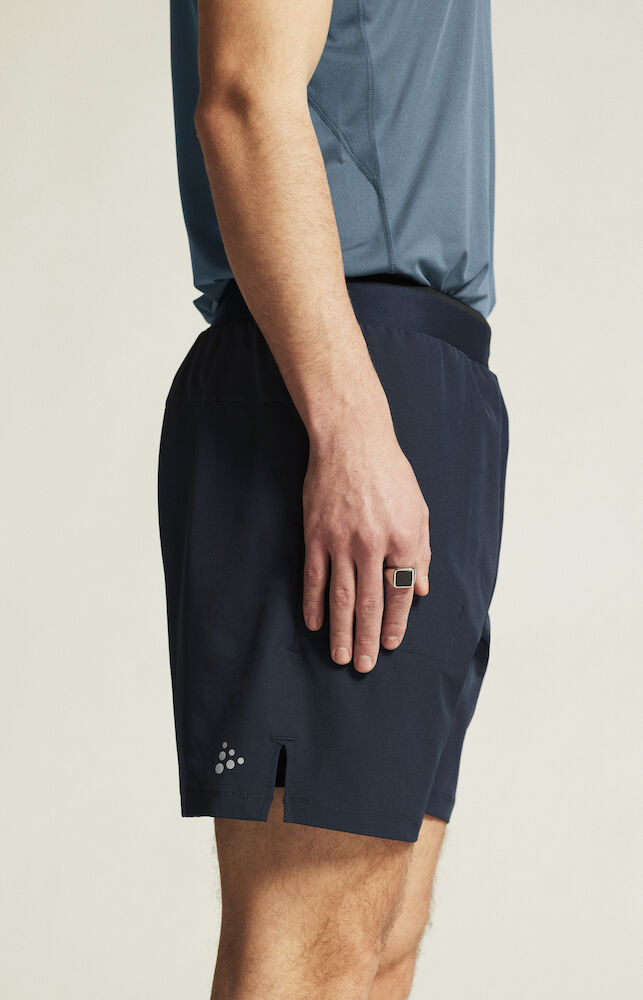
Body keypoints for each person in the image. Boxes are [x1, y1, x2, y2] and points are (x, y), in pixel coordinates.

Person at [157, 0, 509, 996]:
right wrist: (349, 427)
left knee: (374, 940)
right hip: (338, 371)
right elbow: (243, 96)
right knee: (311, 951)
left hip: (422, 373)